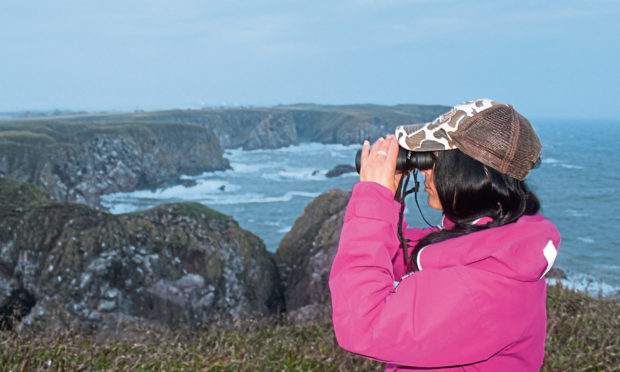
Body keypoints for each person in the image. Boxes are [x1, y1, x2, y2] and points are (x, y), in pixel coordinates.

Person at [329, 99, 561, 371]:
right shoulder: (491, 238)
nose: (425, 170)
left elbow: (363, 325)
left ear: (474, 170)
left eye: (435, 158)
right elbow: (400, 263)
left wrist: (373, 200)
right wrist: (388, 200)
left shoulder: (486, 284)